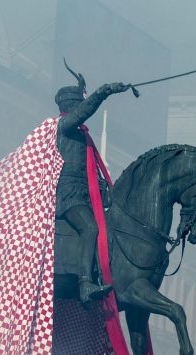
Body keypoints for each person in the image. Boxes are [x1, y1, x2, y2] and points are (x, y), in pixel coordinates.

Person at [54, 61, 130, 305]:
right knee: (90, 228)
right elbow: (84, 113)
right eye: (79, 104)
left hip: (82, 193)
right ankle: (86, 282)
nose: (82, 109)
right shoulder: (62, 127)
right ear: (70, 106)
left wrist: (101, 187)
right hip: (66, 194)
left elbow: (88, 170)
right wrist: (104, 91)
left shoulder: (81, 136)